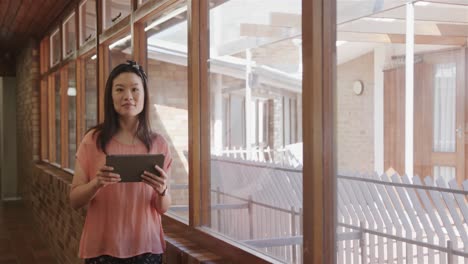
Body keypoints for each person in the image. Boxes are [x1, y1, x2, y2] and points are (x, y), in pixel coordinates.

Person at [70, 60, 172, 264]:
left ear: (144, 95)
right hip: (102, 247)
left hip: (146, 247)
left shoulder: (159, 144)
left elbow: (163, 207)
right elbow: (75, 200)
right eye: (119, 89)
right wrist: (96, 183)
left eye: (135, 89)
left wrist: (162, 190)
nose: (128, 96)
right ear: (111, 96)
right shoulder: (93, 140)